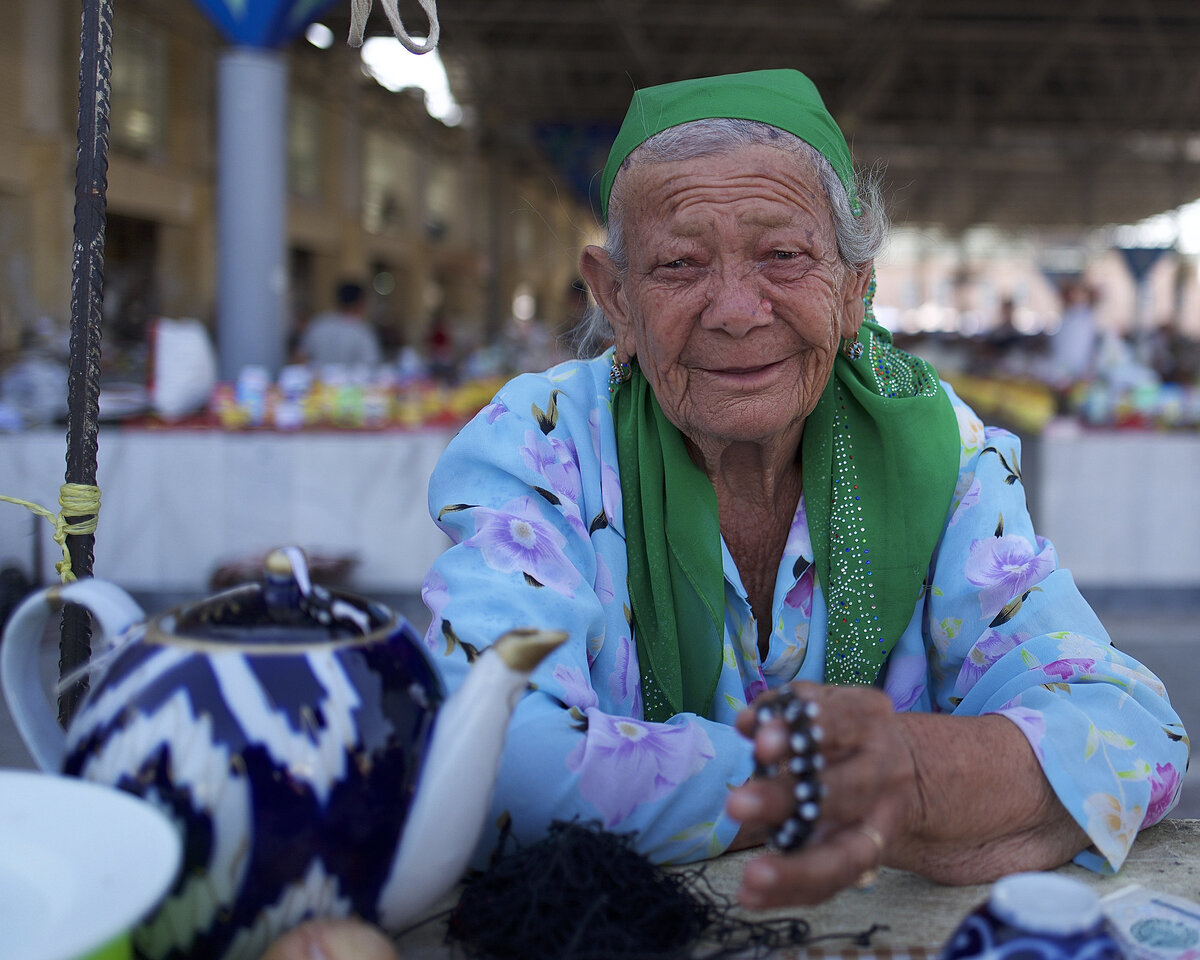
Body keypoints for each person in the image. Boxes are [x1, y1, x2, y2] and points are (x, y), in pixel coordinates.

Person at [418, 70, 1187, 909]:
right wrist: (848, 781)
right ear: (617, 300)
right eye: (680, 264)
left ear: (855, 288)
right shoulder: (542, 441)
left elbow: (1133, 729)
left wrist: (922, 778)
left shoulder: (938, 447)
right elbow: (487, 752)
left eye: (783, 255)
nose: (739, 310)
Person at [296, 281, 382, 368]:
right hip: (352, 381)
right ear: (360, 302)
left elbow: (301, 358)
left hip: (319, 380)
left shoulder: (318, 323)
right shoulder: (362, 331)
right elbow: (371, 365)